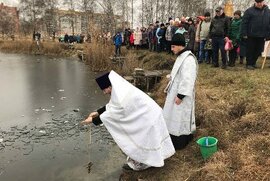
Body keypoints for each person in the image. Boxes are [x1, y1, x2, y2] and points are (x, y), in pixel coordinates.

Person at [82, 71, 175, 171]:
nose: (104, 92)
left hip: (149, 119)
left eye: (104, 90)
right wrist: (97, 112)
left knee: (141, 139)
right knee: (145, 140)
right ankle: (149, 158)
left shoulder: (121, 95)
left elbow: (114, 113)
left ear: (110, 87)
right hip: (148, 116)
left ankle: (144, 163)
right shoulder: (120, 90)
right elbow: (113, 105)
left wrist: (93, 120)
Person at [163, 33, 198, 150]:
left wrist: (180, 95)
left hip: (181, 95)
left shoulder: (188, 59)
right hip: (175, 93)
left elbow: (188, 79)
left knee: (181, 116)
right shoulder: (181, 56)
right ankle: (173, 138)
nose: (171, 49)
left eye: (173, 47)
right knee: (173, 116)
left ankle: (181, 141)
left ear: (180, 45)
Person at [241, 0, 270, 70]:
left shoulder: (268, 11)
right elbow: (244, 23)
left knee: (259, 50)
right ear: (255, 2)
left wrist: (269, 34)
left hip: (262, 35)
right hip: (251, 35)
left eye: (261, 2)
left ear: (263, 2)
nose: (259, 4)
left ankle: (253, 63)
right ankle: (249, 64)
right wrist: (244, 33)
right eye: (258, 2)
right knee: (250, 50)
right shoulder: (249, 11)